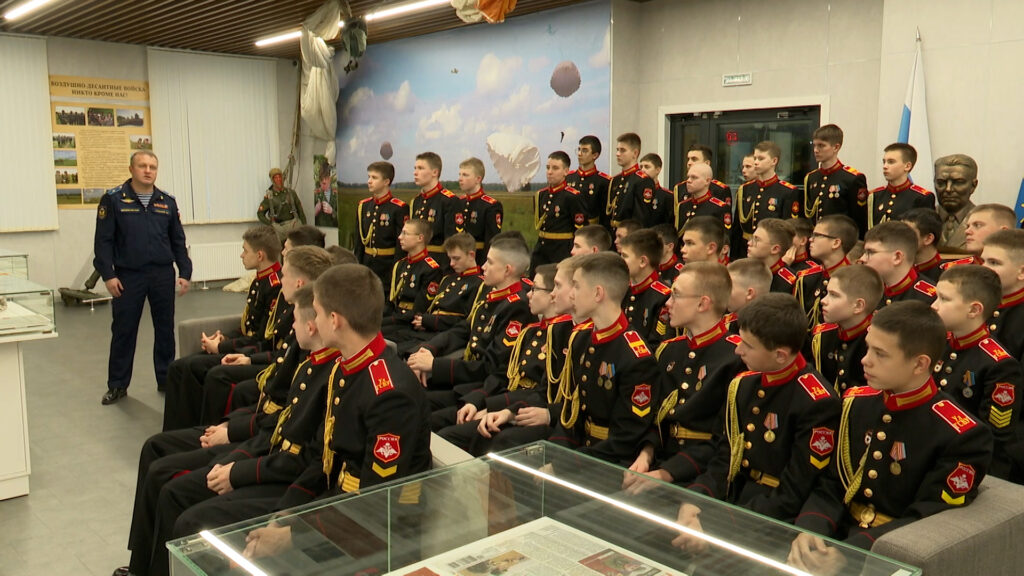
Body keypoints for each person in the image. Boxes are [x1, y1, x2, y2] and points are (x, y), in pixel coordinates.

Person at [119, 284, 337, 576]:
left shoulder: (332, 373)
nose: (291, 325)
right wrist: (231, 429)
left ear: (314, 325)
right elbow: (277, 418)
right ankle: (142, 566)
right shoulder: (313, 362)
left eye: (297, 319)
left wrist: (237, 462)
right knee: (159, 457)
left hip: (283, 471)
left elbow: (304, 454)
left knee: (179, 498)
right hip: (268, 451)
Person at [789, 302, 992, 568]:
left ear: (919, 364)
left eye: (880, 354)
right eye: (868, 348)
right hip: (834, 537)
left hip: (890, 557)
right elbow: (833, 483)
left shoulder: (961, 435)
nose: (865, 360)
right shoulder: (856, 404)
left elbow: (926, 518)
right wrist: (810, 529)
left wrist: (850, 555)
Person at [670, 293, 840, 551]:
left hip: (773, 523)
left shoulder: (816, 402)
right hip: (733, 501)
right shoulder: (744, 384)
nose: (738, 350)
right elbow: (724, 458)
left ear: (780, 355)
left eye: (748, 346)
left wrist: (715, 526)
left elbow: (793, 493)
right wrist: (695, 500)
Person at [624, 262, 744, 488]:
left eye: (676, 295)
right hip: (660, 459)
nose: (667, 303)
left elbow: (725, 439)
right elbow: (655, 416)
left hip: (701, 475)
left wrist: (668, 473)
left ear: (702, 303)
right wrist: (646, 454)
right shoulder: (669, 350)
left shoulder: (735, 356)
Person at [548, 252, 665, 466]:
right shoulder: (581, 338)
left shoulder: (635, 357)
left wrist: (563, 466)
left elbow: (625, 439)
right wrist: (556, 455)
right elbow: (571, 413)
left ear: (598, 293)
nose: (571, 294)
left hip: (609, 463)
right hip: (580, 451)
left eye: (576, 286)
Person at [94, 150, 192, 405]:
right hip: (128, 276)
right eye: (142, 166)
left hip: (162, 274)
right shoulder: (113, 199)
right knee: (124, 331)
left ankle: (166, 379)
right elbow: (103, 242)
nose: (148, 171)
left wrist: (185, 272)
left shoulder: (167, 202)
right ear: (131, 169)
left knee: (165, 330)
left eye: (152, 167)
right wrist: (108, 275)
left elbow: (178, 241)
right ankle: (117, 385)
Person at [161, 226, 281, 429]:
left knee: (195, 367)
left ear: (260, 255)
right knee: (176, 368)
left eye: (245, 250)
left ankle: (200, 430)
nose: (241, 255)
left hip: (253, 352)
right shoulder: (260, 280)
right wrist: (223, 337)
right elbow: (247, 326)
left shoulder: (275, 286)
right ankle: (175, 432)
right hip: (245, 345)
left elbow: (262, 339)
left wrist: (221, 347)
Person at [932, 265, 1023, 478]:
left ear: (974, 310)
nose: (934, 306)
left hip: (968, 464)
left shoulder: (999, 365)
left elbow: (994, 437)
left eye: (944, 299)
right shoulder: (938, 343)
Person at [392, 232, 483, 356]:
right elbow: (430, 309)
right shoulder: (447, 280)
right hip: (427, 331)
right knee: (388, 340)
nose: (451, 263)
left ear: (471, 255)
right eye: (450, 258)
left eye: (456, 258)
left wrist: (429, 321)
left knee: (401, 352)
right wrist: (422, 320)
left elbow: (466, 323)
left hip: (446, 337)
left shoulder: (479, 284)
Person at [808, 265, 883, 394]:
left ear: (858, 305)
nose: (823, 301)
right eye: (827, 293)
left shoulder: (878, 343)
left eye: (834, 295)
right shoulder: (823, 336)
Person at [732, 141, 801, 259]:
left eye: (761, 158)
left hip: (771, 253)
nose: (756, 162)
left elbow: (788, 229)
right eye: (755, 158)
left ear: (774, 161)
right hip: (745, 251)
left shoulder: (787, 191)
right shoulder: (745, 189)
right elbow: (737, 228)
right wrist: (733, 257)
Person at [803, 124, 868, 234]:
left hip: (841, 237)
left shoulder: (852, 178)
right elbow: (809, 214)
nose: (816, 150)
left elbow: (859, 219)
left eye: (821, 146)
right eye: (814, 145)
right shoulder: (811, 177)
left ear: (836, 147)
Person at [793, 214, 858, 327]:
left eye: (817, 235)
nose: (810, 239)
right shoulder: (806, 278)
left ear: (836, 243)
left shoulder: (856, 280)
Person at [354, 161, 409, 289]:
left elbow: (401, 247)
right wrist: (358, 267)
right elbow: (359, 242)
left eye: (374, 177)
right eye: (369, 177)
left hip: (387, 268)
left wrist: (395, 272)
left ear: (386, 181)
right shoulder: (363, 206)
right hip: (366, 266)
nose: (369, 181)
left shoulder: (399, 208)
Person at [530, 151, 587, 271]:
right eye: (548, 168)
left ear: (566, 171)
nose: (550, 172)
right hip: (541, 250)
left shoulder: (572, 196)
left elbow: (580, 229)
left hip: (561, 251)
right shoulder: (541, 195)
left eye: (555, 168)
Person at [859, 221, 936, 307]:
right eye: (864, 252)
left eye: (870, 252)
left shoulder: (929, 300)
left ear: (897, 257)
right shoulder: (867, 290)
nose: (862, 258)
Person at [618, 229, 672, 343]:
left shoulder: (663, 297)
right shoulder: (621, 288)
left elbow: (657, 343)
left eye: (625, 256)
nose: (620, 261)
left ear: (643, 261)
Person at [383, 219, 442, 323]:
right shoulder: (400, 265)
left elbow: (419, 310)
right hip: (396, 317)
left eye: (405, 233)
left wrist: (387, 321)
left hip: (410, 322)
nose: (400, 237)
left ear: (420, 238)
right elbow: (391, 302)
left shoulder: (431, 269)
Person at [866, 143, 935, 230]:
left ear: (907, 166)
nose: (885, 166)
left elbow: (925, 230)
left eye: (891, 162)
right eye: (884, 162)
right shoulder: (874, 196)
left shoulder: (921, 197)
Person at [981, 229, 1024, 362]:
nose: (983, 268)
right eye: (982, 261)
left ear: (1022, 272)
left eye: (994, 262)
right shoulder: (976, 302)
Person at [411, 151, 458, 270]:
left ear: (435, 172)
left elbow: (452, 241)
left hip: (439, 264)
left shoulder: (449, 201)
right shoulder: (416, 201)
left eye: (421, 168)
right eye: (415, 168)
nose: (415, 172)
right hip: (417, 263)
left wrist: (446, 271)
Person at [902, 208, 974, 283]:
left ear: (928, 239)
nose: (899, 238)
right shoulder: (900, 271)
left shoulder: (952, 275)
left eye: (907, 233)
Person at [454, 157, 503, 265]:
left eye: (465, 175)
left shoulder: (490, 206)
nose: (460, 179)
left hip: (478, 260)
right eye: (460, 174)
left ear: (478, 179)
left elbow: (492, 241)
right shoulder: (458, 202)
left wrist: (484, 266)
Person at [607, 133, 661, 228]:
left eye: (622, 150)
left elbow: (641, 219)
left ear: (635, 153)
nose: (618, 154)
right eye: (617, 150)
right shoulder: (615, 180)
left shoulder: (643, 180)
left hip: (631, 233)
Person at [934, 154, 979, 251]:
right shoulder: (920, 222)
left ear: (973, 186)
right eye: (941, 183)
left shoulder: (985, 223)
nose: (948, 189)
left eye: (958, 182)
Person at [746, 218, 801, 294]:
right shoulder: (744, 270)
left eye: (756, 240)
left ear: (775, 249)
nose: (749, 243)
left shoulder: (789, 284)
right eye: (752, 238)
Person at [566, 135, 611, 227]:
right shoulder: (568, 177)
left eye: (584, 150)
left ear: (595, 155)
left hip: (592, 230)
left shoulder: (604, 181)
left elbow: (605, 216)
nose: (579, 153)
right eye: (579, 149)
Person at [675, 162, 731, 233]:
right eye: (688, 177)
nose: (688, 180)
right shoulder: (682, 206)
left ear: (707, 181)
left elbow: (724, 236)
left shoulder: (719, 208)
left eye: (694, 177)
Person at [257, 167, 306, 240]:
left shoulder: (291, 193)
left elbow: (300, 211)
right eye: (276, 178)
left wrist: (304, 227)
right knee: (279, 246)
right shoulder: (269, 197)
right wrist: (271, 225)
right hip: (279, 228)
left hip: (293, 225)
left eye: (280, 177)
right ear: (272, 180)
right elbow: (260, 214)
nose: (279, 179)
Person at [312, 163, 338, 227]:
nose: (322, 186)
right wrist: (315, 211)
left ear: (329, 179)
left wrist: (332, 211)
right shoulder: (315, 194)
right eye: (320, 182)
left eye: (324, 183)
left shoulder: (336, 194)